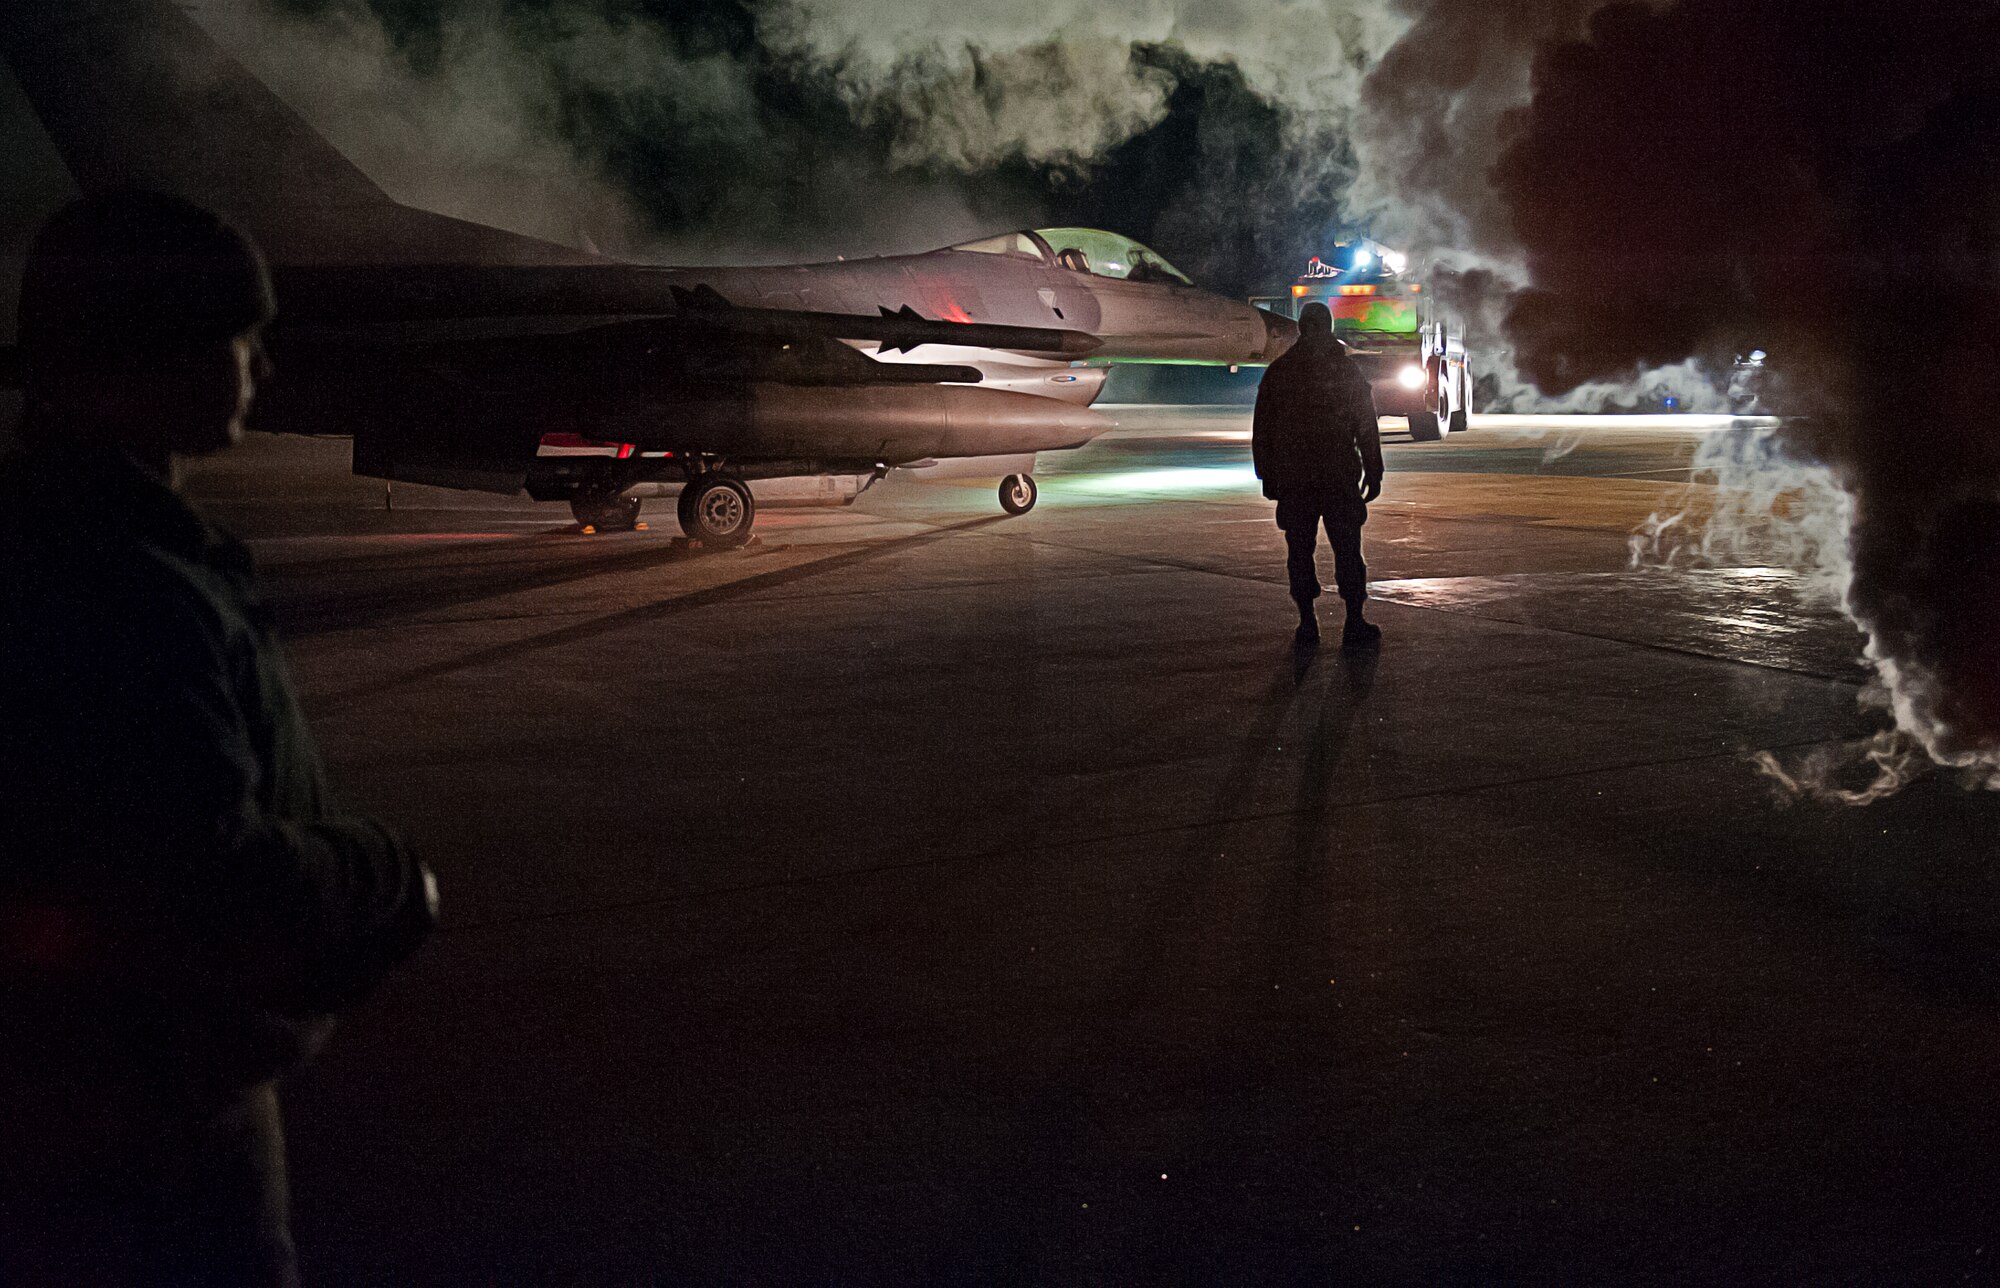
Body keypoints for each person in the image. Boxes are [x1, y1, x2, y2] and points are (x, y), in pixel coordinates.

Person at [0, 191, 438, 1286]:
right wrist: (384, 878)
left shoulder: (74, 541)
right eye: (238, 340)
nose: (262, 366)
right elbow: (201, 882)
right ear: (154, 356)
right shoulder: (128, 586)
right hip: (151, 1116)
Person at [1250, 301, 1385, 650]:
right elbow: (1365, 424)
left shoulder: (1280, 372)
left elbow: (1262, 428)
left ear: (1300, 327)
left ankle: (1307, 623)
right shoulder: (1346, 371)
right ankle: (1354, 621)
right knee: (1348, 550)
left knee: (1299, 551)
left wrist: (1268, 476)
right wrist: (1374, 469)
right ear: (1327, 327)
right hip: (1338, 476)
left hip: (1295, 480)